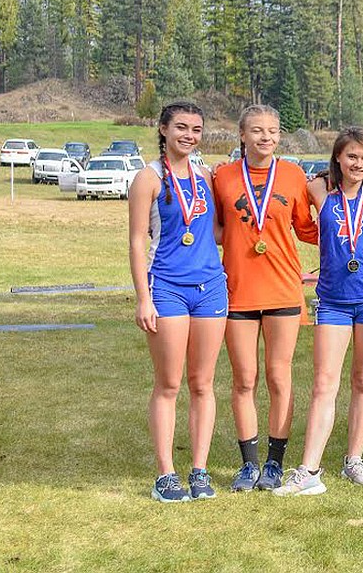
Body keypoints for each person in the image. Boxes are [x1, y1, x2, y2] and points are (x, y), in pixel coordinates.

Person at [275, 129, 363, 496]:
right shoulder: (319, 190)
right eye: (351, 157)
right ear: (337, 158)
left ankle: (354, 461)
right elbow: (289, 207)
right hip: (332, 297)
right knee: (324, 383)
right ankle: (309, 470)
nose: (358, 164)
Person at [213, 104, 318, 491]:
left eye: (272, 131)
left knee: (279, 376)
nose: (265, 138)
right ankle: (248, 464)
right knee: (244, 379)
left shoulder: (292, 175)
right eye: (257, 131)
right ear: (242, 135)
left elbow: (307, 228)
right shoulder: (222, 177)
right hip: (238, 291)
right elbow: (215, 229)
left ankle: (275, 463)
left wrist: (351, 229)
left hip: (283, 289)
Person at [129, 101, 227, 502]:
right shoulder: (147, 179)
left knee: (203, 383)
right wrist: (143, 298)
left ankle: (200, 471)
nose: (189, 135)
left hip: (210, 288)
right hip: (166, 287)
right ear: (164, 130)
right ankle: (166, 475)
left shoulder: (206, 176)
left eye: (197, 129)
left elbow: (218, 232)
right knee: (169, 383)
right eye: (182, 128)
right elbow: (137, 241)